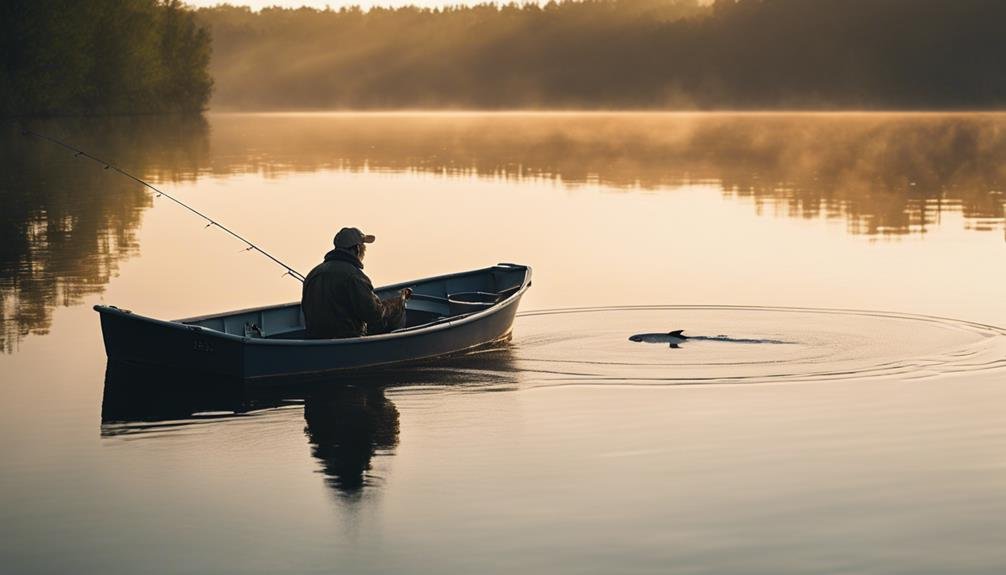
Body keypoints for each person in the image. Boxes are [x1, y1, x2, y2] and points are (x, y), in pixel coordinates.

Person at [301, 227, 411, 339]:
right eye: (363, 247)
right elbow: (374, 315)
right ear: (357, 249)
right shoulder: (355, 277)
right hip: (347, 342)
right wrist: (397, 302)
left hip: (315, 341)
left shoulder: (313, 274)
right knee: (398, 311)